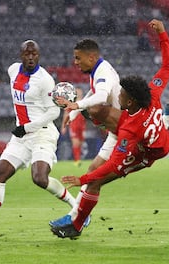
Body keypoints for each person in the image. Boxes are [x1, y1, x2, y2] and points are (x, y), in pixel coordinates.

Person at [50, 19, 169, 239]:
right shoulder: (151, 93)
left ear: (130, 102)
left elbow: (117, 163)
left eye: (121, 96)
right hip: (149, 129)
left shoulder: (129, 130)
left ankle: (76, 224)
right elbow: (167, 66)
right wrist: (163, 34)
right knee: (94, 172)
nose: (117, 96)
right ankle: (165, 118)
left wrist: (82, 180)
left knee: (96, 179)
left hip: (147, 153)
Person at [0, 40, 76, 239]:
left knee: (39, 178)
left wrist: (27, 127)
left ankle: (78, 209)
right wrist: (22, 130)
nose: (31, 57)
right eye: (27, 54)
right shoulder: (13, 70)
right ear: (21, 55)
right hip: (21, 137)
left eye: (34, 54)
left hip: (42, 133)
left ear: (39, 55)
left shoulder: (45, 79)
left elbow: (54, 112)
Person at [55, 36, 122, 226]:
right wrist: (75, 111)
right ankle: (76, 216)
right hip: (116, 132)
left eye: (78, 58)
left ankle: (77, 217)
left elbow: (101, 95)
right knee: (93, 171)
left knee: (95, 178)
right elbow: (95, 91)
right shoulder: (98, 70)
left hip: (127, 134)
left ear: (91, 57)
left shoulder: (103, 72)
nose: (75, 63)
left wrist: (77, 105)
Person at [60, 87, 86, 167]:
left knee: (81, 142)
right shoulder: (71, 102)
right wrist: (63, 127)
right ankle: (77, 160)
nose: (79, 93)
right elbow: (66, 114)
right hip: (73, 125)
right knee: (75, 142)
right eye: (77, 92)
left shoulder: (84, 102)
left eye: (80, 92)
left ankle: (78, 158)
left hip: (82, 125)